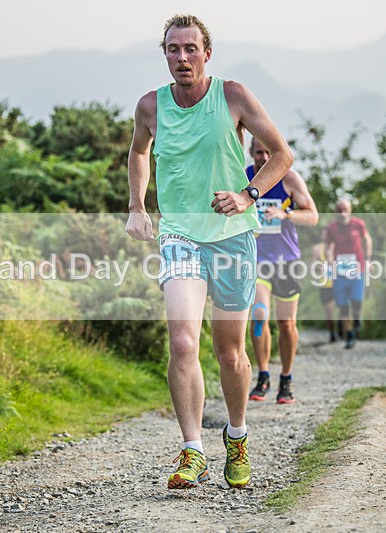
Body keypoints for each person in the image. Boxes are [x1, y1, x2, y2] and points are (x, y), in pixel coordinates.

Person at [125, 14, 293, 490]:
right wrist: (137, 205)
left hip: (233, 235)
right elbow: (138, 152)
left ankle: (236, 437)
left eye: (190, 49)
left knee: (230, 352)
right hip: (179, 233)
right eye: (173, 49)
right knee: (182, 341)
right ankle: (192, 449)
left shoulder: (233, 95)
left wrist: (248, 195)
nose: (182, 58)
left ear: (207, 53)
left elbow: (281, 153)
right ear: (165, 54)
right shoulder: (150, 106)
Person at [246, 137, 318, 404]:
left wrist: (286, 215)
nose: (264, 158)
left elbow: (313, 215)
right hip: (257, 260)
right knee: (259, 316)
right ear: (250, 153)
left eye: (268, 151)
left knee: (286, 324)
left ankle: (286, 379)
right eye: (258, 153)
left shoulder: (289, 178)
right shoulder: (244, 178)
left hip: (287, 260)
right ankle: (263, 375)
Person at [325, 199, 372, 349]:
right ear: (336, 212)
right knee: (343, 306)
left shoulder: (358, 224)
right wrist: (329, 258)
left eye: (345, 209)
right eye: (339, 210)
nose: (342, 213)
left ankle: (357, 315)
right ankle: (350, 335)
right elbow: (328, 246)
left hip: (357, 269)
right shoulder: (331, 228)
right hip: (340, 271)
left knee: (357, 301)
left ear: (350, 210)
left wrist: (368, 258)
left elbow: (367, 239)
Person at [312, 234, 342, 343]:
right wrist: (318, 264)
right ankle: (332, 333)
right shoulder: (317, 249)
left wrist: (331, 260)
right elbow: (314, 267)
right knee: (329, 311)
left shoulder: (339, 246)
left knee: (342, 308)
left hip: (339, 283)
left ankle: (341, 328)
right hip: (325, 284)